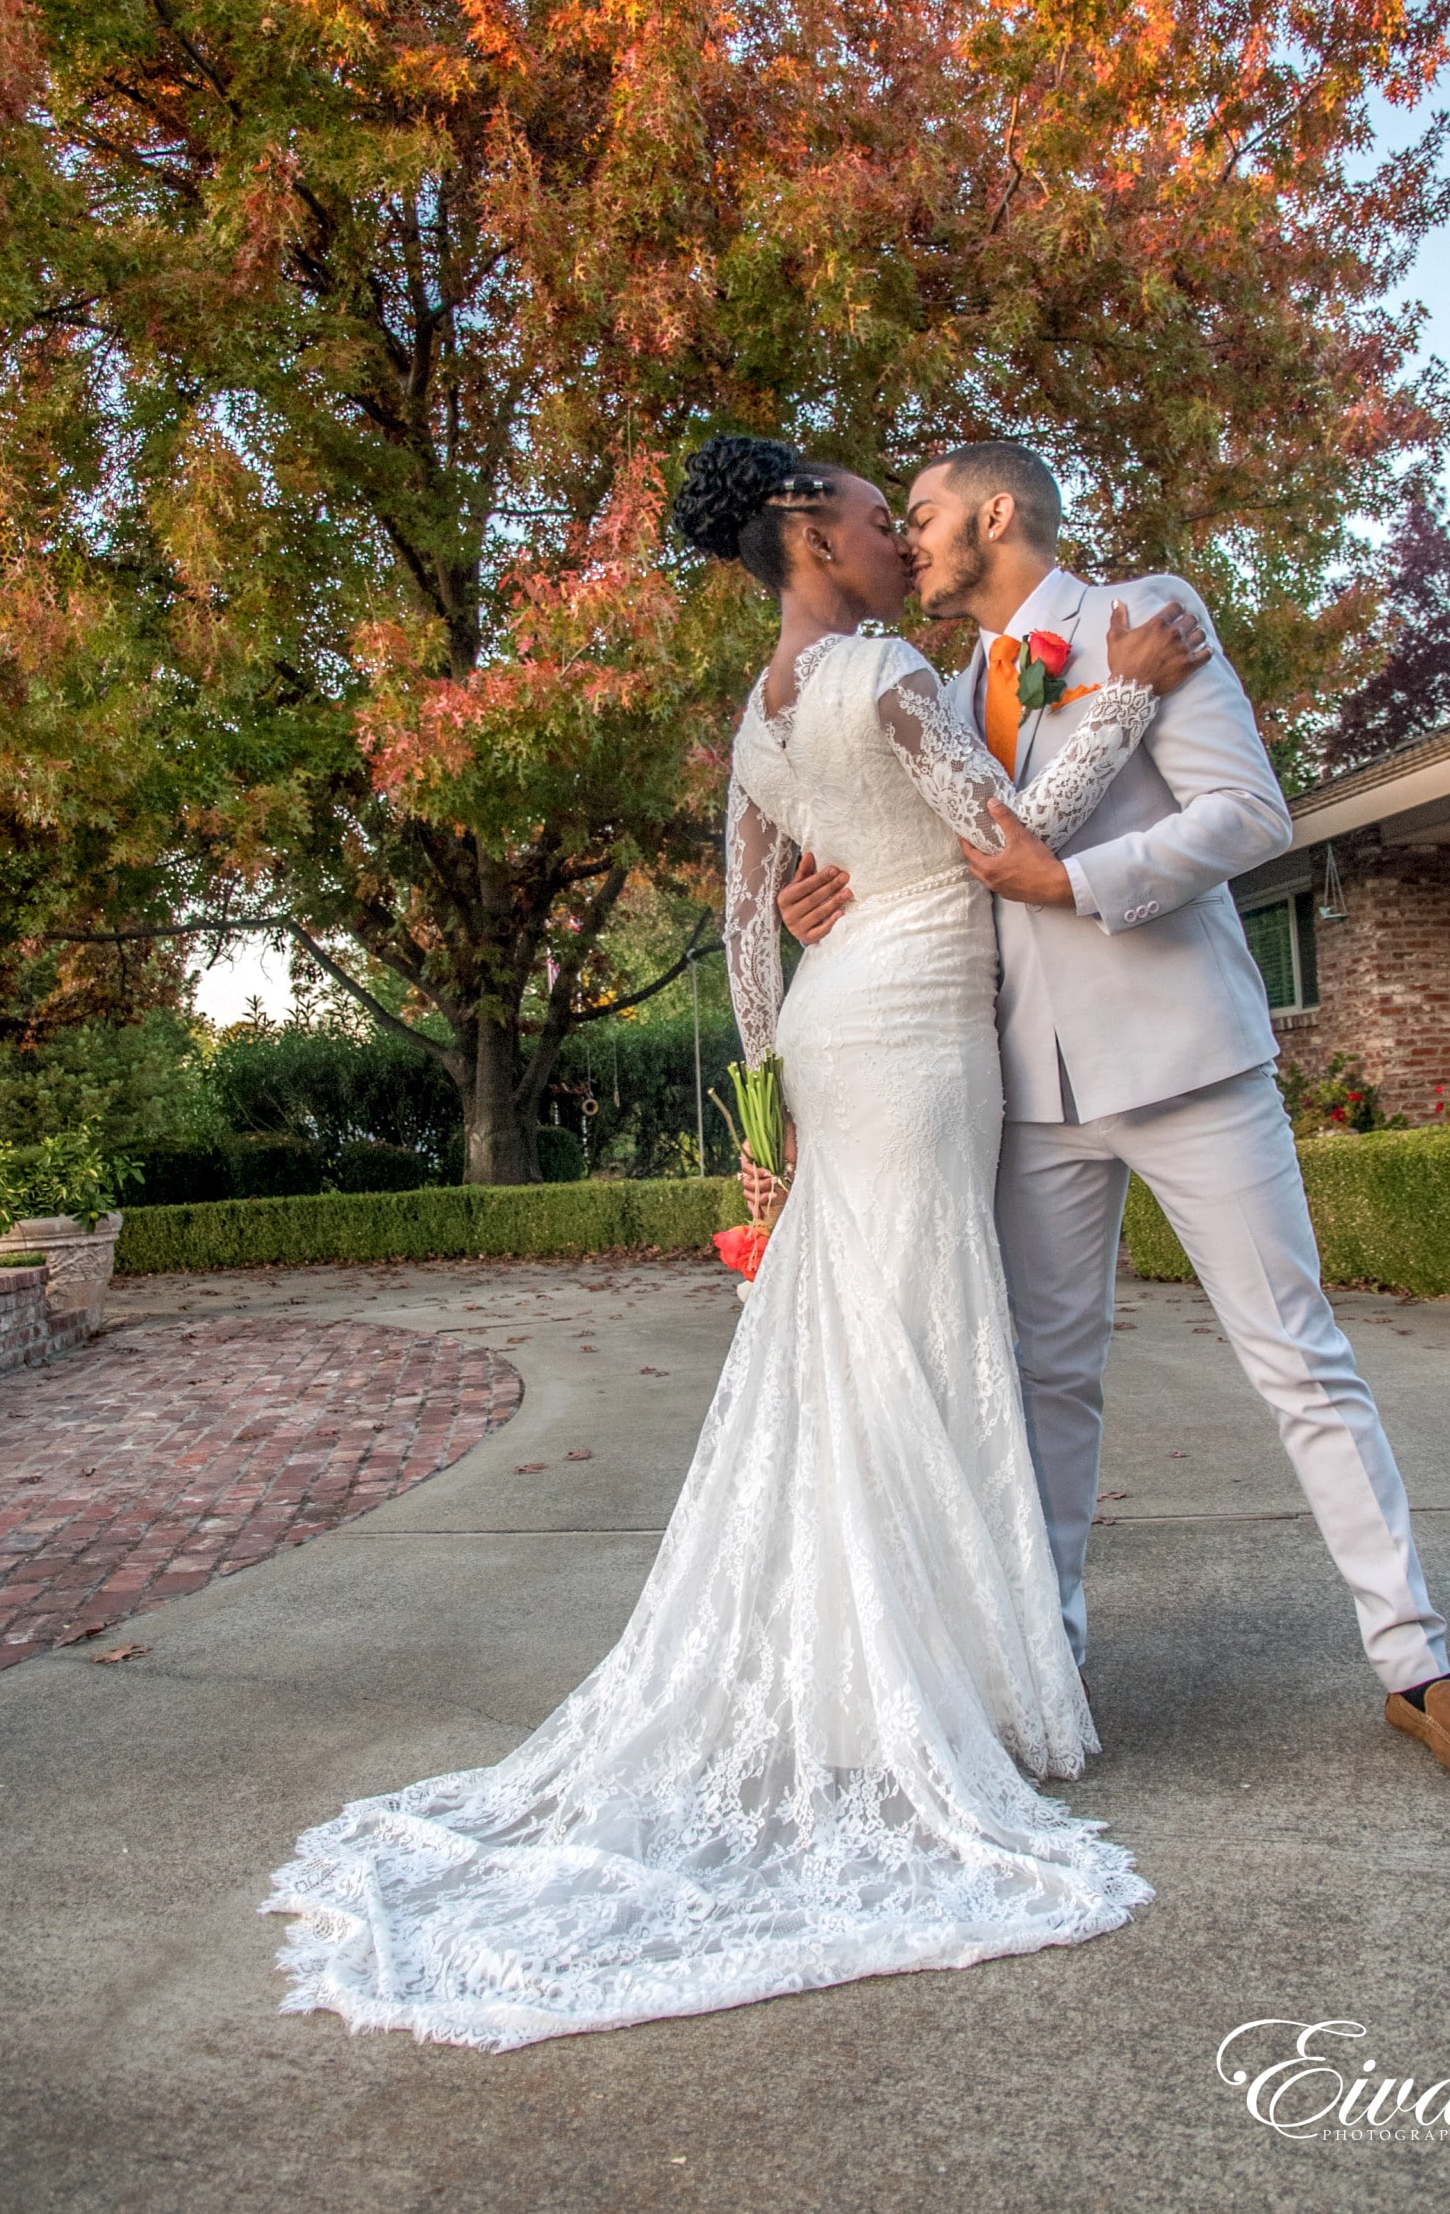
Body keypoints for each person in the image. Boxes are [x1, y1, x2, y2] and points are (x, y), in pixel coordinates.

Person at [263, 436, 1209, 2050]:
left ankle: (894, 1666)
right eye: (863, 509)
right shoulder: (886, 672)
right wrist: (1118, 697)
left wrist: (767, 1121)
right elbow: (1005, 835)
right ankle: (931, 1692)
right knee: (918, 1338)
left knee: (865, 1339)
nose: (890, 533)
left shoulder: (761, 716)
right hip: (918, 1025)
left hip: (844, 1032)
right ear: (805, 533)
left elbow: (742, 925)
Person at [778, 440, 1450, 1796]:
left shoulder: (1144, 619)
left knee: (1300, 1359)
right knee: (1045, 1387)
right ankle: (1047, 1658)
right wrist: (826, 900)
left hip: (1187, 1058)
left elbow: (1251, 814)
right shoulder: (941, 688)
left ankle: (1416, 1663)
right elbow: (943, 871)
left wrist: (1079, 882)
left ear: (995, 515)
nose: (917, 540)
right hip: (1028, 1088)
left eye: (930, 515)